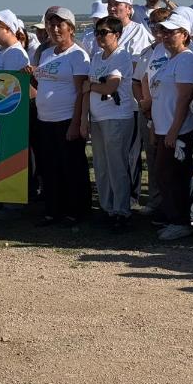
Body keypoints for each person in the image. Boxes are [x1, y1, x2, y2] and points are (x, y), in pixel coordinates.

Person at [28, 6, 91, 226]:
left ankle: (76, 210)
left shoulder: (78, 55)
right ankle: (54, 209)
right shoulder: (45, 53)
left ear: (71, 28)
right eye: (51, 25)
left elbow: (81, 92)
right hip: (45, 119)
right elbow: (42, 83)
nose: (54, 29)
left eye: (60, 25)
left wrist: (76, 123)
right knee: (50, 166)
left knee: (71, 167)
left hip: (66, 119)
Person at [149, 13, 193, 241]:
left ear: (184, 35)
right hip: (165, 128)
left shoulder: (187, 60)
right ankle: (175, 218)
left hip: (177, 129)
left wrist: (173, 129)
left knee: (175, 175)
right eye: (164, 32)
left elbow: (184, 98)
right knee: (165, 175)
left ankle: (182, 220)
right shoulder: (171, 59)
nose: (166, 36)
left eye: (172, 32)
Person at [81, 15, 134, 229]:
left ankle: (121, 211)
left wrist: (91, 87)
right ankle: (107, 207)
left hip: (117, 117)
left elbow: (110, 87)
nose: (99, 36)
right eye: (97, 32)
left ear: (117, 35)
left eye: (104, 32)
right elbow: (89, 88)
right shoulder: (96, 57)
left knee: (117, 165)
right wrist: (85, 119)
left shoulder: (121, 56)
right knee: (101, 166)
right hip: (98, 117)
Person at [104, 0, 153, 208]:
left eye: (117, 5)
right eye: (110, 5)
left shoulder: (139, 32)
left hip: (131, 104)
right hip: (109, 105)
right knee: (115, 154)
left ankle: (131, 199)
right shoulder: (105, 32)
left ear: (129, 9)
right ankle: (116, 196)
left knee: (132, 155)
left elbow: (140, 69)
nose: (112, 8)